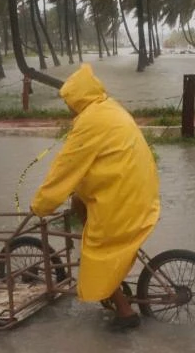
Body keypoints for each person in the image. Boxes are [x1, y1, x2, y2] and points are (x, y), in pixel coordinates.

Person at [30, 63, 160, 330]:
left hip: (123, 198)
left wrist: (40, 206)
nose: (68, 108)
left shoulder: (90, 122)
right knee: (79, 201)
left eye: (69, 102)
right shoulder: (109, 108)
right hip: (139, 190)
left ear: (78, 98)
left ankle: (125, 314)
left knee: (96, 254)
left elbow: (64, 169)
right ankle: (115, 283)